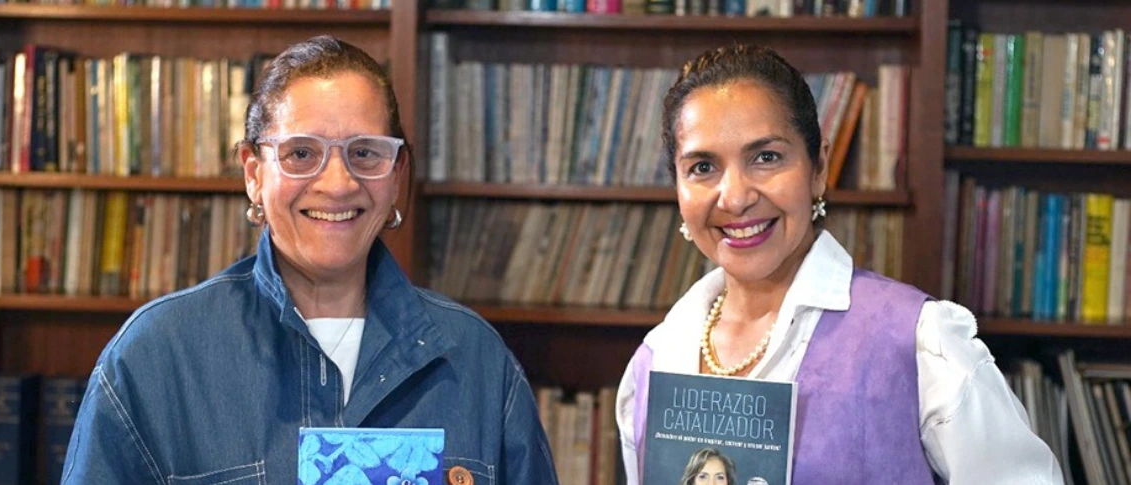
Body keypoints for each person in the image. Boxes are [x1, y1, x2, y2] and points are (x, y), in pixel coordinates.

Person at [62, 35, 558, 485]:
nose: (338, 183)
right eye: (302, 154)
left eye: (365, 152)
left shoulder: (476, 360)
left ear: (397, 174)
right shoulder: (155, 356)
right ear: (254, 173)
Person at [616, 44, 1065, 485]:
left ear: (819, 168)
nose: (735, 197)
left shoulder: (919, 342)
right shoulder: (653, 363)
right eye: (702, 167)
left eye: (766, 157)